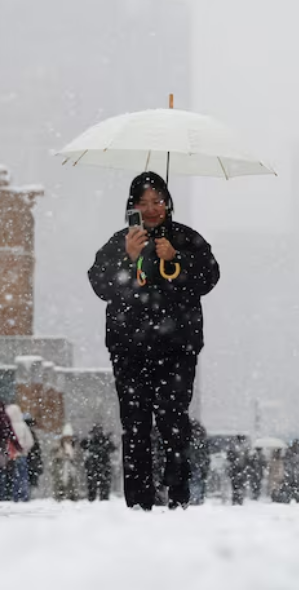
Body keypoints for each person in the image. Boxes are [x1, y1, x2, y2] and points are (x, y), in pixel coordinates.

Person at [88, 171, 221, 511]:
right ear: (131, 206)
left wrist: (175, 259)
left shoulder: (185, 239)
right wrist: (128, 260)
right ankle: (139, 501)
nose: (151, 209)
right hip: (129, 349)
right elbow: (101, 285)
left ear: (168, 204)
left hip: (177, 349)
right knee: (135, 426)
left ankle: (177, 496)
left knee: (174, 422)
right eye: (143, 203)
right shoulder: (121, 241)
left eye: (157, 202)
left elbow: (208, 278)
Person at [5, 404, 35, 502]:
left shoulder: (8, 426)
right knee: (23, 476)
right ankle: (24, 496)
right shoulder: (23, 426)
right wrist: (24, 449)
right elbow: (30, 442)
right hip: (22, 455)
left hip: (10, 455)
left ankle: (15, 496)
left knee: (13, 477)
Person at [82, 424, 117, 501]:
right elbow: (83, 445)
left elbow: (113, 448)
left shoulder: (104, 440)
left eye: (99, 431)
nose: (97, 433)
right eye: (96, 431)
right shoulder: (90, 441)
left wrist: (106, 441)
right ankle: (93, 499)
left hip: (103, 466)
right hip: (93, 467)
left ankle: (102, 499)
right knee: (92, 486)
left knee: (104, 487)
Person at [51, 424, 82, 501]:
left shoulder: (74, 445)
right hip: (61, 465)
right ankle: (60, 496)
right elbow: (54, 454)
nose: (68, 438)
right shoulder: (58, 444)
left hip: (71, 465)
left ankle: (72, 496)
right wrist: (61, 455)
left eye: (69, 436)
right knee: (60, 481)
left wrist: (71, 458)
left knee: (72, 480)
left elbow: (77, 456)